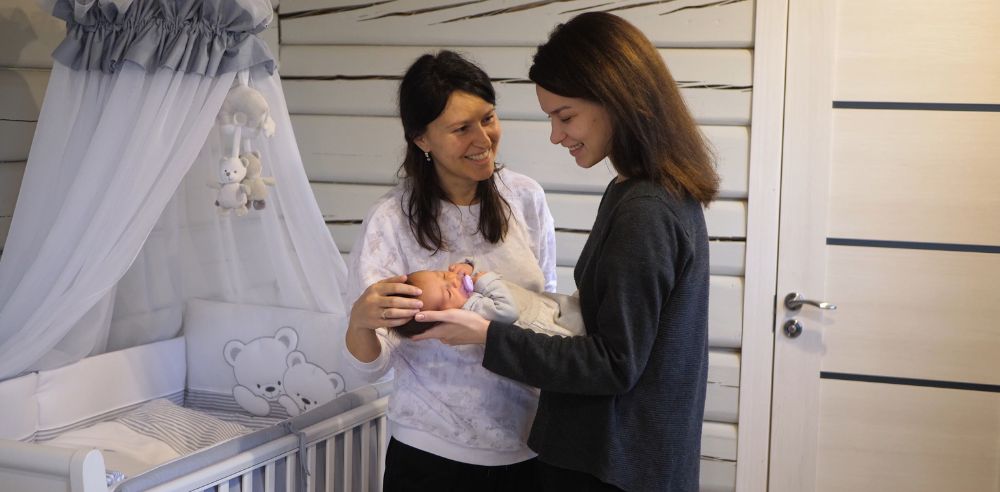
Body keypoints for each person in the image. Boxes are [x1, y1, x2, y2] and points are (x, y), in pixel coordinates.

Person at [412, 12, 719, 492]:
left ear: (615, 97)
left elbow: (614, 364)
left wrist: (486, 336)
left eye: (565, 115)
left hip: (612, 465)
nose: (557, 135)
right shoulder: (640, 191)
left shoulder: (646, 209)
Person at [342, 50, 557, 490]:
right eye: (461, 129)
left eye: (489, 118)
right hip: (431, 454)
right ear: (422, 139)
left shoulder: (525, 198)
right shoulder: (390, 220)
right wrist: (360, 321)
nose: (483, 138)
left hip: (530, 444)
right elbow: (371, 365)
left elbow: (546, 310)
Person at [393, 261, 583, 338]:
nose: (452, 280)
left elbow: (478, 277)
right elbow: (507, 311)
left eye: (442, 275)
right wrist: (484, 280)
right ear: (446, 315)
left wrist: (467, 265)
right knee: (583, 324)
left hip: (546, 304)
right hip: (551, 325)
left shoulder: (468, 292)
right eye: (448, 293)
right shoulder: (471, 308)